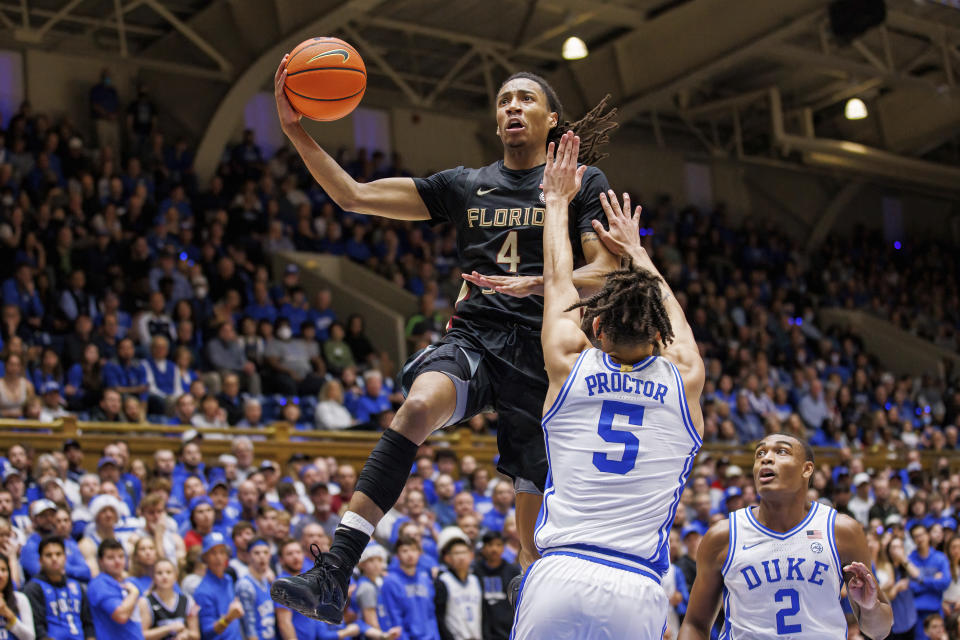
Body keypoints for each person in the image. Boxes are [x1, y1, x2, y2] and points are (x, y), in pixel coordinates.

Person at [270, 59, 620, 623]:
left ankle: (536, 608)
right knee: (417, 406)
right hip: (478, 336)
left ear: (551, 118)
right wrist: (293, 129)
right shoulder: (465, 184)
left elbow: (606, 268)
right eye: (505, 99)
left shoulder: (578, 181)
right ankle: (335, 569)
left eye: (526, 99)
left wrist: (542, 281)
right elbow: (353, 195)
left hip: (547, 350)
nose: (512, 107)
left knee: (530, 539)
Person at [507, 133, 703, 638]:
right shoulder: (683, 376)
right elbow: (676, 325)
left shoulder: (571, 362)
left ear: (594, 329)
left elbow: (558, 281)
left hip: (560, 572)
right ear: (660, 334)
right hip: (636, 582)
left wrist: (555, 202)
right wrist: (637, 253)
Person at [679, 433, 893, 640]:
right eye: (760, 454)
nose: (766, 458)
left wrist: (869, 607)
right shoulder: (723, 536)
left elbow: (879, 631)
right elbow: (694, 625)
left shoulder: (842, 531)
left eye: (781, 451)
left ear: (806, 469)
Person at [23, 536, 96, 640]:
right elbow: (38, 629)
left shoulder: (76, 586)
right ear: (40, 560)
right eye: (48, 555)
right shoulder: (33, 588)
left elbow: (88, 624)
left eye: (58, 554)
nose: (54, 558)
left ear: (65, 558)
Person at [379, 535, 440, 640]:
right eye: (405, 551)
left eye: (413, 550)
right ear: (397, 556)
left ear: (419, 553)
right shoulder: (391, 582)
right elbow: (394, 618)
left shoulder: (424, 578)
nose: (410, 554)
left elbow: (431, 615)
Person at [86, 539, 144, 640]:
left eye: (121, 556)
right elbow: (121, 616)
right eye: (110, 558)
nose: (117, 561)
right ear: (100, 561)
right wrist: (134, 594)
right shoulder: (99, 584)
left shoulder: (132, 581)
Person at [194, 532, 244, 640]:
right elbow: (207, 632)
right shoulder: (202, 591)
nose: (218, 558)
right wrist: (228, 619)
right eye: (213, 553)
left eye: (222, 552)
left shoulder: (228, 580)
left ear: (227, 555)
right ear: (205, 558)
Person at [434, 529, 482, 640]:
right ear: (447, 558)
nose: (461, 557)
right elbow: (440, 618)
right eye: (456, 553)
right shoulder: (442, 581)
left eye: (464, 552)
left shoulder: (476, 580)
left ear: (471, 555)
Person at [139, 558, 200, 640]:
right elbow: (142, 635)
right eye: (159, 573)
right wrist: (169, 628)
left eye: (168, 572)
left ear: (176, 576)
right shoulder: (145, 602)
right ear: (153, 577)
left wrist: (186, 634)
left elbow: (196, 635)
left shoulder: (189, 601)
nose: (164, 576)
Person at [473, 531, 519, 640]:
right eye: (490, 545)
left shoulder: (513, 571)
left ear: (503, 548)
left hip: (508, 630)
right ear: (483, 548)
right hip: (483, 629)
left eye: (498, 545)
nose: (494, 549)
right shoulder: (474, 572)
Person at [909, 523, 951, 639]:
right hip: (918, 613)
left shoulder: (940, 557)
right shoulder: (910, 559)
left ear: (928, 535)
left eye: (921, 534)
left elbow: (945, 582)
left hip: (936, 610)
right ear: (913, 540)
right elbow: (911, 586)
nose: (919, 538)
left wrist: (921, 579)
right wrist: (933, 580)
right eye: (915, 536)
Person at [0, 553, 34, 640]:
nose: (0, 575)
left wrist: (8, 614)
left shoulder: (20, 599)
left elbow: (30, 638)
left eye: (4, 570)